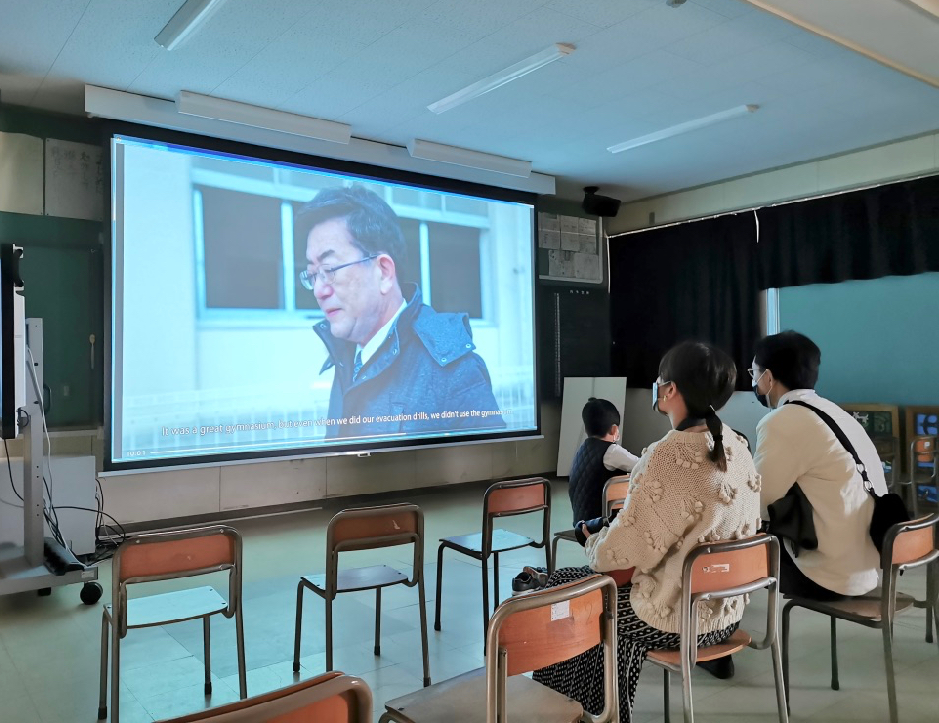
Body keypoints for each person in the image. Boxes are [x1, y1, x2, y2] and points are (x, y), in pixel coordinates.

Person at [533, 342, 761, 722]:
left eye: (659, 380)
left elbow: (617, 555)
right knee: (578, 587)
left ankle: (579, 713)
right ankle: (599, 708)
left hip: (676, 619)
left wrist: (593, 539)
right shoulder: (738, 445)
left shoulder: (667, 455)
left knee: (567, 596)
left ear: (670, 390)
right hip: (727, 610)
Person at [298, 185, 504, 439]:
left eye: (329, 269)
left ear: (383, 271)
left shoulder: (451, 369)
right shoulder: (346, 357)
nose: (319, 290)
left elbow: (493, 469)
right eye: (312, 274)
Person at [751, 330, 887, 601]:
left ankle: (712, 622)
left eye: (753, 374)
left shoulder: (783, 421)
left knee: (731, 527)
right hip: (868, 569)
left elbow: (759, 502)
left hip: (827, 577)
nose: (754, 382)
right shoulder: (835, 412)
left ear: (767, 377)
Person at [568, 397, 638, 525]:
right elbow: (642, 465)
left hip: (580, 525)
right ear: (614, 430)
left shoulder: (582, 450)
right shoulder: (612, 451)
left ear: (586, 428)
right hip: (602, 526)